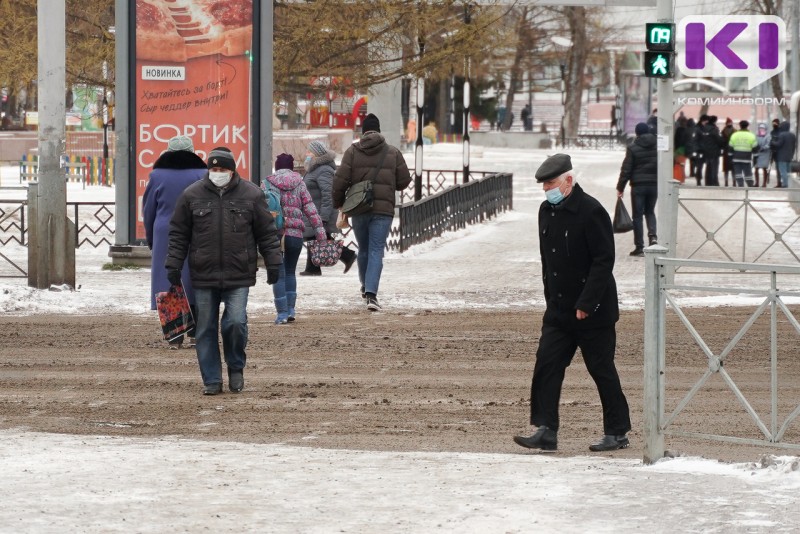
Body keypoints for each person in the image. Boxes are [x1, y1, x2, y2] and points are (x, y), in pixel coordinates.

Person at [513, 153, 631, 452]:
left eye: (550, 183)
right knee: (547, 365)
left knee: (601, 369)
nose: (546, 189)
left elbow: (604, 261)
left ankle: (617, 432)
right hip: (559, 311)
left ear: (568, 180)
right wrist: (550, 298)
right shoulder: (546, 211)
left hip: (593, 312)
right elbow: (547, 260)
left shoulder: (591, 211)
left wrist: (587, 303)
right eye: (543, 185)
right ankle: (546, 429)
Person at [165, 147, 283, 395]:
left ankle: (236, 367)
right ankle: (211, 379)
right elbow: (178, 234)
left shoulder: (251, 194)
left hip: (238, 273)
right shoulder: (192, 195)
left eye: (223, 169)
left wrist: (273, 262)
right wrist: (173, 264)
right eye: (214, 169)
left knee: (235, 323)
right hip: (204, 274)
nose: (218, 173)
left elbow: (267, 233)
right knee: (205, 327)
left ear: (232, 170)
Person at [332, 113, 412, 311]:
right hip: (383, 211)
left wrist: (339, 203)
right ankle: (371, 294)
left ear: (363, 131)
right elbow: (403, 182)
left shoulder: (352, 152)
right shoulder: (392, 152)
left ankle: (364, 286)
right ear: (378, 130)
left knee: (364, 249)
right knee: (376, 250)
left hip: (359, 208)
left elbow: (339, 181)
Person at [142, 135, 206, 348]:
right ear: (192, 151)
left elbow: (149, 209)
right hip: (196, 232)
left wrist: (152, 238)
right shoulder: (202, 174)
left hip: (165, 233)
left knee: (168, 281)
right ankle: (197, 332)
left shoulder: (157, 175)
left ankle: (174, 335)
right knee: (195, 280)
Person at [265, 153, 327, 323]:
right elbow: (310, 209)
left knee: (279, 273)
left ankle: (282, 313)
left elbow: (259, 209)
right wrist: (320, 232)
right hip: (295, 235)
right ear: (291, 167)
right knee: (291, 272)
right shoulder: (300, 183)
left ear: (277, 167)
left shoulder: (268, 183)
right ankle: (291, 310)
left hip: (275, 235)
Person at [299, 140, 357, 277]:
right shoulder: (313, 168)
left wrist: (323, 217)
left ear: (317, 154)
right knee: (316, 237)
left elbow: (328, 195)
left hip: (321, 212)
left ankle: (346, 256)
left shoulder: (324, 170)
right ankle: (314, 267)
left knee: (318, 237)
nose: (307, 154)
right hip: (314, 211)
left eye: (309, 151)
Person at [617, 122, 658, 257]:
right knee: (650, 212)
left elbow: (626, 169)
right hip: (654, 185)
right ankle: (653, 238)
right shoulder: (658, 146)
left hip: (638, 186)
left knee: (637, 216)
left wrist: (620, 187)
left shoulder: (633, 147)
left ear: (637, 133)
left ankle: (639, 247)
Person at [728, 120, 757, 187]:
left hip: (736, 158)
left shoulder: (734, 135)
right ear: (747, 126)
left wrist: (730, 157)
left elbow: (730, 147)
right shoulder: (751, 135)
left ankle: (740, 185)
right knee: (748, 173)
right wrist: (755, 158)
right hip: (746, 158)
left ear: (740, 126)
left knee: (738, 173)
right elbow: (755, 148)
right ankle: (750, 185)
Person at [771, 121, 797, 188]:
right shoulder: (792, 135)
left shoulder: (782, 135)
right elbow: (794, 146)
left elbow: (779, 144)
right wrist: (792, 154)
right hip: (789, 156)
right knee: (788, 171)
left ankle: (785, 184)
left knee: (783, 171)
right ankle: (789, 183)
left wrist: (772, 142)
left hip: (781, 156)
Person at [699, 115, 723, 186]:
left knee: (708, 167)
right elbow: (718, 139)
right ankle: (714, 182)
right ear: (714, 121)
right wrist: (723, 143)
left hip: (705, 151)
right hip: (714, 151)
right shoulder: (714, 129)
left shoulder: (703, 128)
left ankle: (708, 182)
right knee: (714, 167)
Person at [753, 123, 772, 187]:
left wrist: (763, 148)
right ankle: (757, 183)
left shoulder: (768, 136)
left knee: (764, 169)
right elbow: (754, 142)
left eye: (763, 128)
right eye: (760, 128)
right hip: (757, 154)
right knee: (756, 168)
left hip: (765, 154)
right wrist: (756, 147)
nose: (761, 129)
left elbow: (769, 144)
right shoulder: (756, 135)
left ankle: (764, 183)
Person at [721, 117, 735, 186]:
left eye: (730, 122)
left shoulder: (735, 131)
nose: (729, 124)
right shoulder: (723, 131)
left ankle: (734, 181)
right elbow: (722, 140)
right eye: (728, 123)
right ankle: (726, 182)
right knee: (726, 168)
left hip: (732, 151)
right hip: (726, 151)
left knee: (733, 168)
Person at [769, 118, 781, 185]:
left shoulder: (781, 132)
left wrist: (773, 143)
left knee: (779, 168)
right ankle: (778, 182)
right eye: (773, 123)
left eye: (775, 123)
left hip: (779, 152)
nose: (774, 125)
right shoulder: (772, 132)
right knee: (775, 168)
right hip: (772, 152)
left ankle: (779, 182)